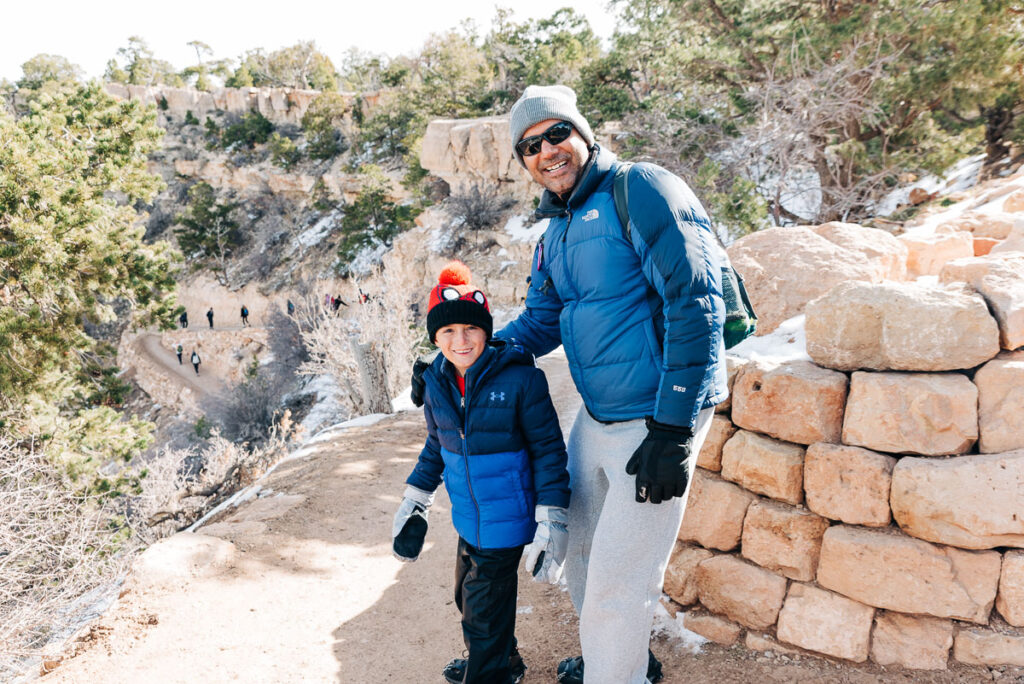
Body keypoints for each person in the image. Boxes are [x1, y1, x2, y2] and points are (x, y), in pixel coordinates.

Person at [411, 85, 728, 683]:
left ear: (583, 133)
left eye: (557, 133)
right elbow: (539, 323)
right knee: (577, 553)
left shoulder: (643, 189)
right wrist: (459, 358)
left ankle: (619, 673)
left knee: (618, 579)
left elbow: (697, 304)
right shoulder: (554, 232)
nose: (547, 150)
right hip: (599, 413)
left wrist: (674, 431)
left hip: (657, 415)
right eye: (530, 145)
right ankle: (619, 659)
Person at [393, 261, 571, 684]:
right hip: (469, 516)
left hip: (507, 516)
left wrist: (552, 514)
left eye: (471, 329)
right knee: (466, 595)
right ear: (435, 337)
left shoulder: (522, 380)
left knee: (483, 608)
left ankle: (488, 672)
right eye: (449, 332)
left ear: (487, 331)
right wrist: (416, 496)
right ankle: (503, 662)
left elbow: (548, 449)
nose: (461, 340)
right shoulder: (436, 380)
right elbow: (438, 443)